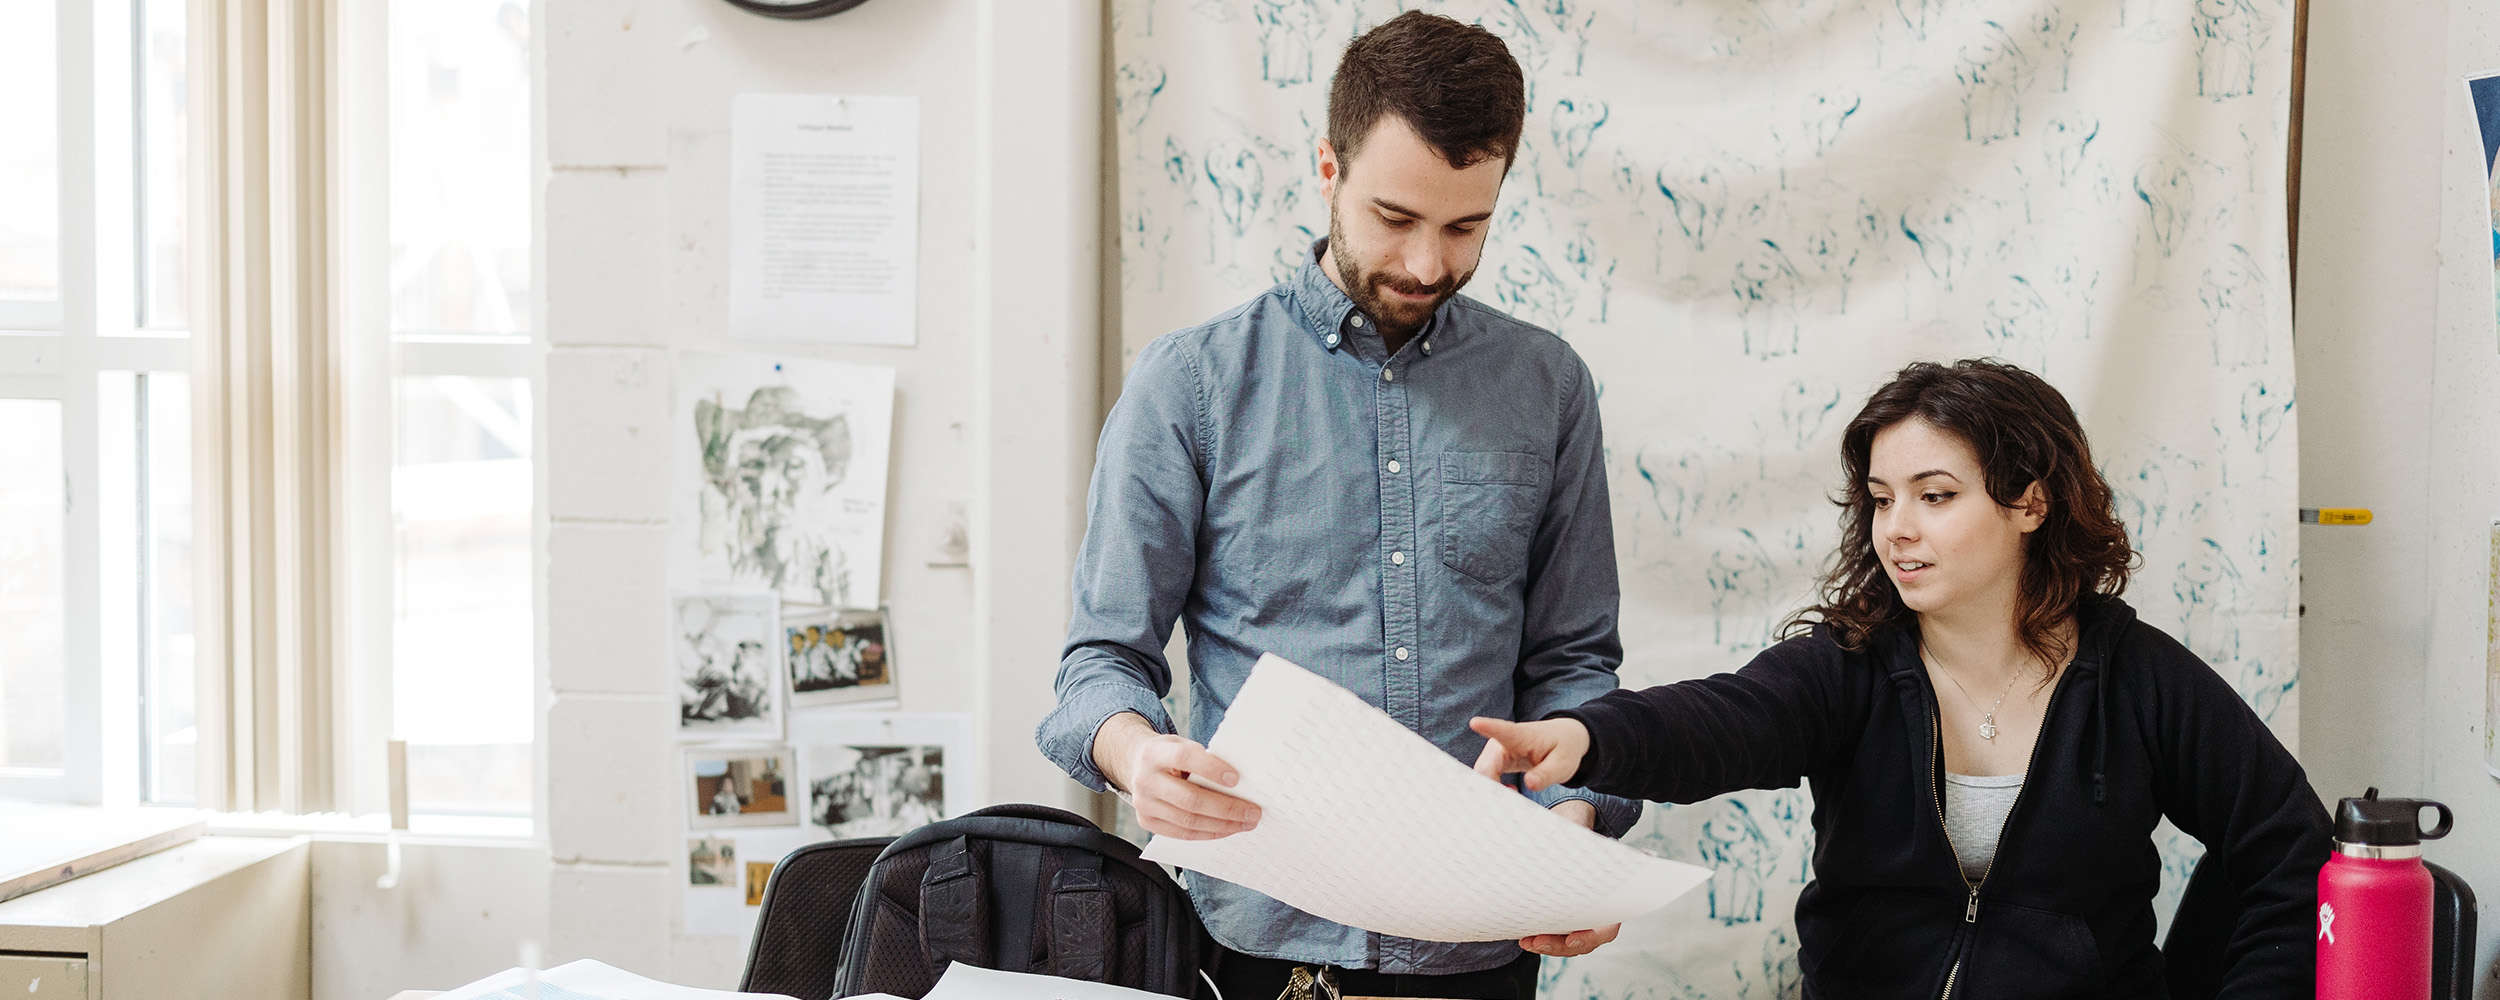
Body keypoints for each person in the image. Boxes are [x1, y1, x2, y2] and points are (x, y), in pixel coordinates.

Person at [1034, 12, 1639, 1000]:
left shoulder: (1549, 387)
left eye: (1464, 226)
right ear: (1328, 166)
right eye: (1394, 218)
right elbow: (1099, 665)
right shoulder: (1189, 383)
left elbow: (1573, 665)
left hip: (1482, 947)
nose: (1427, 265)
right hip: (1254, 948)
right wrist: (1138, 756)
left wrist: (1573, 825)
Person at [1472, 359, 2331, 998]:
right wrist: (1585, 739)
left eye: (1935, 495)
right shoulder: (1852, 668)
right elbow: (1723, 719)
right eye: (1883, 499)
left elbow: (2291, 848)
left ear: (2029, 503)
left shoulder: (2138, 679)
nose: (1898, 530)